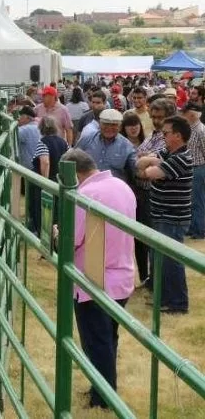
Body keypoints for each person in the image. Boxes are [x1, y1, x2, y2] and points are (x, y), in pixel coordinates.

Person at [59, 149, 136, 410]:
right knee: (109, 338)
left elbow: (73, 237)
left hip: (93, 280)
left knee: (96, 341)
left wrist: (58, 232)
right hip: (122, 274)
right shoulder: (121, 186)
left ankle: (103, 397)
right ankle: (102, 388)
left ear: (74, 173)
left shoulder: (86, 195)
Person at [137, 116, 193, 314]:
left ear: (177, 136)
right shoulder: (168, 153)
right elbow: (140, 163)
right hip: (161, 215)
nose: (163, 136)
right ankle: (165, 298)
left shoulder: (181, 158)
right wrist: (152, 163)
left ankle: (177, 303)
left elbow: (148, 173)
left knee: (171, 261)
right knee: (160, 259)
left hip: (172, 217)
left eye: (166, 133)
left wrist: (151, 165)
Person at [133, 98, 173, 289]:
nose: (156, 120)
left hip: (155, 194)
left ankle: (158, 282)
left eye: (160, 117)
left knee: (154, 239)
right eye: (153, 117)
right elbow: (138, 156)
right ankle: (148, 278)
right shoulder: (153, 135)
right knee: (143, 238)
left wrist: (144, 158)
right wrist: (143, 158)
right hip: (142, 192)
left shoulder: (169, 139)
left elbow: (149, 161)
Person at [28, 116, 68, 233]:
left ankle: (42, 231)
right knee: (58, 209)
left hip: (47, 180)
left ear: (41, 128)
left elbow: (45, 162)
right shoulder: (63, 142)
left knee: (43, 209)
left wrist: (44, 182)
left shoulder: (42, 143)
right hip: (60, 179)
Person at [75, 109, 137, 184]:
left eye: (114, 125)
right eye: (106, 124)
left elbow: (135, 169)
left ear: (120, 127)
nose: (109, 128)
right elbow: (72, 159)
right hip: (87, 188)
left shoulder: (127, 146)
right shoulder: (87, 139)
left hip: (113, 190)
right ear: (99, 124)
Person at [182, 102, 205, 239]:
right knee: (192, 201)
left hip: (198, 168)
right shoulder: (192, 128)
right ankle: (193, 228)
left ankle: (200, 230)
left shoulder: (201, 130)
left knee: (198, 201)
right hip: (192, 168)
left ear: (191, 115)